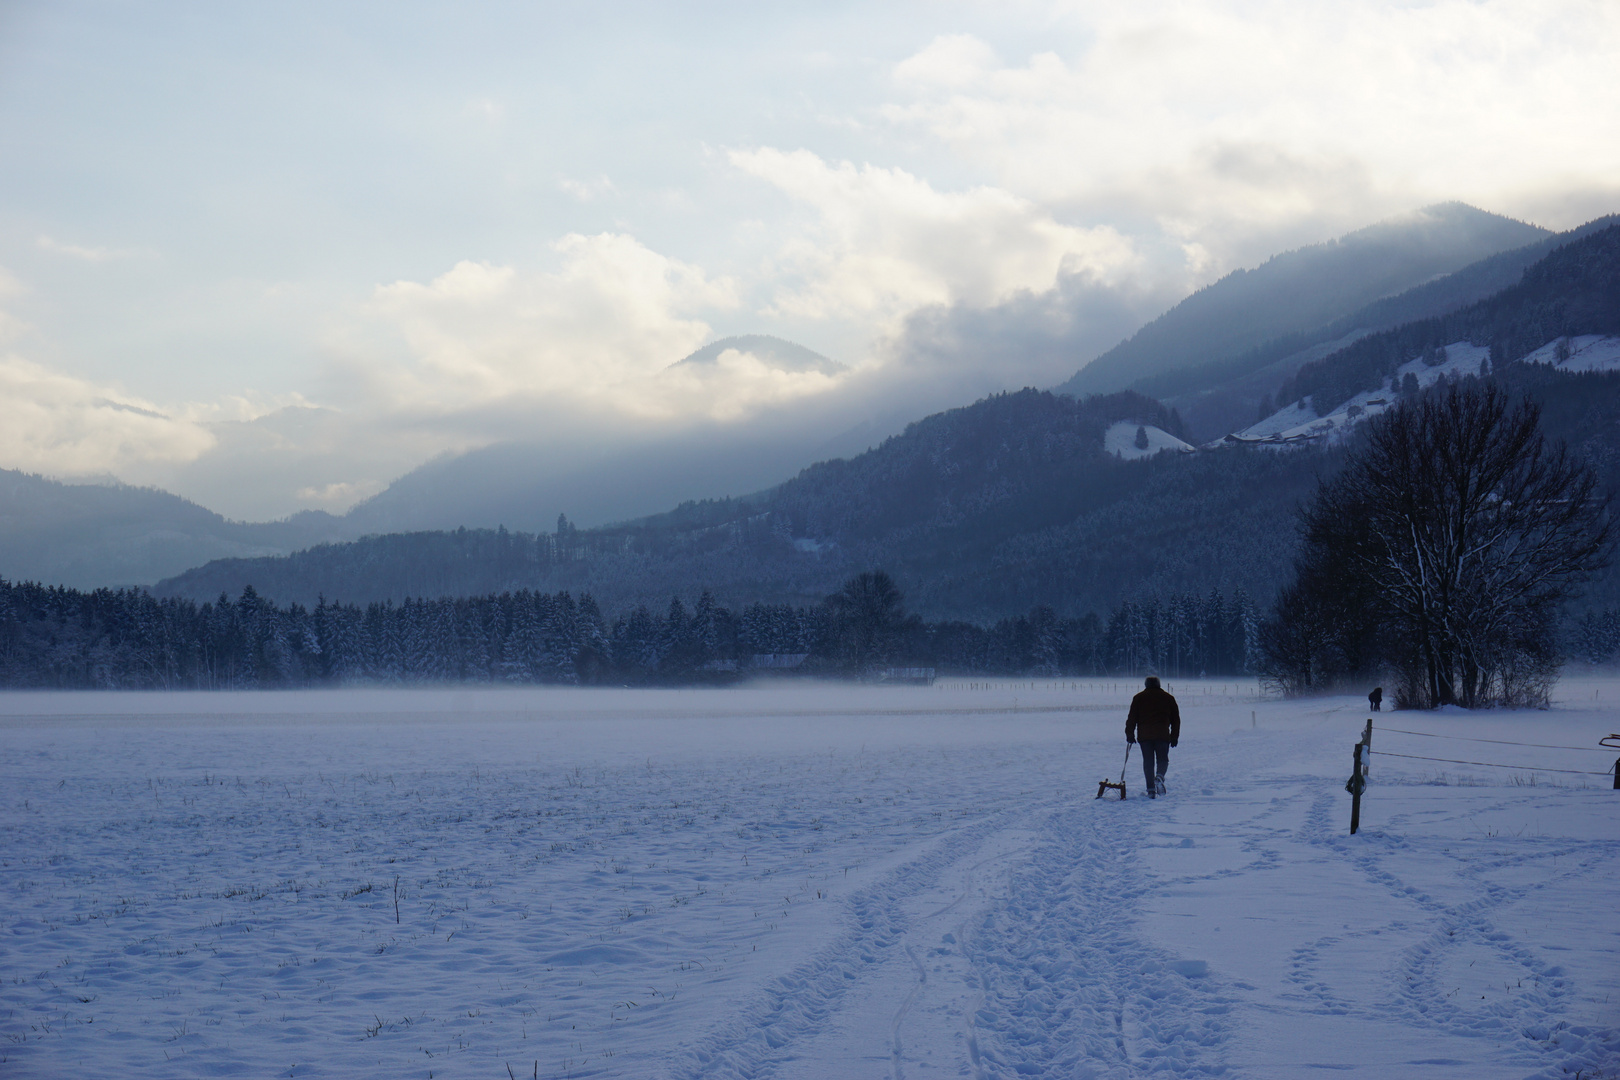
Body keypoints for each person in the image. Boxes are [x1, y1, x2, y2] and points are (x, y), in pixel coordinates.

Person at [1125, 675, 1180, 798]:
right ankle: (1159, 777)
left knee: (1148, 762)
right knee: (1163, 759)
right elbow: (1176, 720)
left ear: (1146, 685)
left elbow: (1132, 718)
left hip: (1144, 736)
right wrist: (1174, 736)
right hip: (1162, 735)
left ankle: (1150, 790)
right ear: (1159, 685)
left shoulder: (1138, 698)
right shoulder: (1168, 698)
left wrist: (1130, 734)